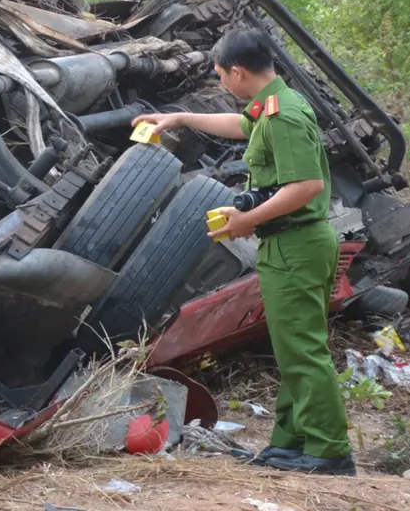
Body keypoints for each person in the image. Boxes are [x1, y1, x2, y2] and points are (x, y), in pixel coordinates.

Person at [135, 26, 356, 476]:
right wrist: (180, 118)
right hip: (291, 243)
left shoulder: (283, 116)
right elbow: (242, 125)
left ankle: (330, 451)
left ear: (237, 72)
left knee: (303, 349)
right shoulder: (273, 105)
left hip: (297, 242)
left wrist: (246, 220)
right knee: (293, 346)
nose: (221, 84)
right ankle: (292, 443)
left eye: (220, 76)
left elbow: (308, 185)